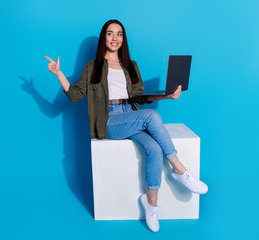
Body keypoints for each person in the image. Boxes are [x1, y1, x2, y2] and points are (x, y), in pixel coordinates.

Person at [44, 19, 208, 232]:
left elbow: (139, 98)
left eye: (119, 34)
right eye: (110, 33)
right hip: (109, 120)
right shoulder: (92, 67)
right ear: (104, 37)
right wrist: (58, 73)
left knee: (154, 148)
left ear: (123, 39)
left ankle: (151, 203)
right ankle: (180, 170)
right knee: (151, 118)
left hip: (130, 116)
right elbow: (75, 95)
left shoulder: (131, 66)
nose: (115, 38)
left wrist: (167, 96)